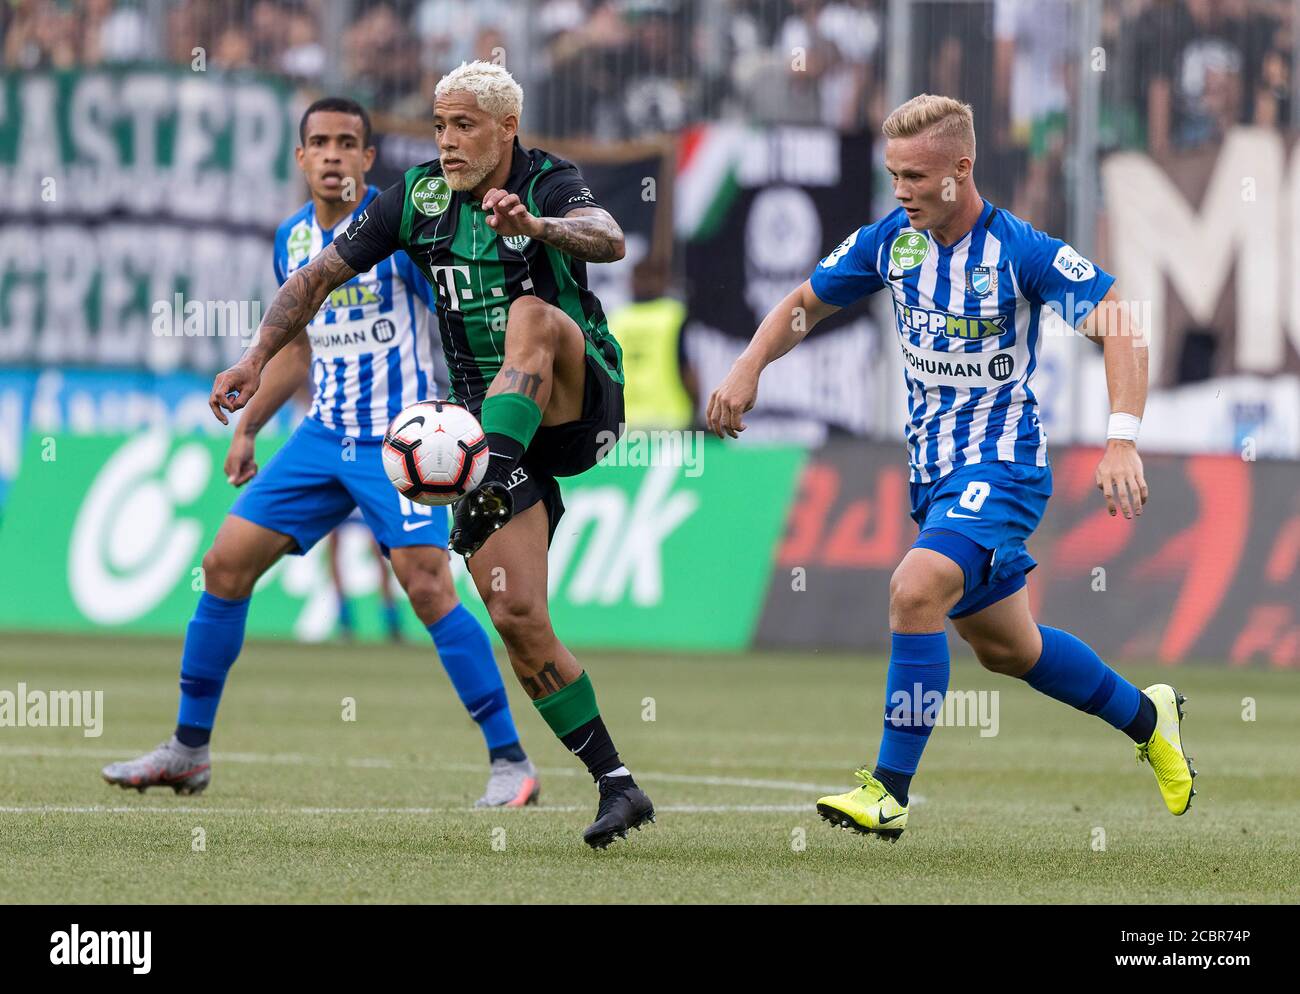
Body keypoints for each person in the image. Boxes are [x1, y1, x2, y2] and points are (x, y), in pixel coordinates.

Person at [707, 93, 1197, 841]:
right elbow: (803, 303)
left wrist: (1121, 437)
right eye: (892, 174)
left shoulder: (1023, 252)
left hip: (1002, 464)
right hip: (934, 474)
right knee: (1011, 649)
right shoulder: (891, 244)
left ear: (960, 170)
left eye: (914, 175)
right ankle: (1147, 716)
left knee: (915, 588)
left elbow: (1122, 325)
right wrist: (749, 367)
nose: (899, 190)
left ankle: (889, 790)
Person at [207, 64, 655, 850]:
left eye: (465, 126)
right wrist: (255, 358)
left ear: (506, 128)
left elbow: (610, 239)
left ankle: (492, 471)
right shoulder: (413, 200)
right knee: (517, 618)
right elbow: (315, 278)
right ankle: (616, 783)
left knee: (533, 313)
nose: (447, 141)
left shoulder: (550, 180)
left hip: (576, 400)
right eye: (440, 125)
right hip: (491, 431)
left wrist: (541, 230)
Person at [102, 96, 539, 810]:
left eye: (348, 143)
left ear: (369, 159)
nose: (333, 154)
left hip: (401, 445)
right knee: (223, 566)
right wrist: (248, 427)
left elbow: (462, 314)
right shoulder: (291, 241)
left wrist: (473, 411)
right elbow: (298, 352)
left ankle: (510, 762)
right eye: (319, 143)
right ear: (300, 157)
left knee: (427, 585)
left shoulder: (401, 233)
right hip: (320, 438)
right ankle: (188, 749)